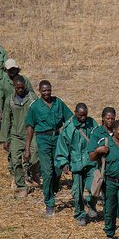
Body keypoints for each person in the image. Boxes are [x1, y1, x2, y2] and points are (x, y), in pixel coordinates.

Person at [24, 80, 72, 217]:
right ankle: (49, 204)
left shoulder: (58, 103)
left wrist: (68, 138)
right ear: (39, 91)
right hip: (43, 139)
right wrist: (27, 148)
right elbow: (30, 127)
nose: (46, 93)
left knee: (57, 170)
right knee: (47, 172)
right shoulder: (35, 107)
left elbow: (69, 119)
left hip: (57, 138)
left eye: (48, 90)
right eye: (44, 91)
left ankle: (54, 188)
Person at [55, 103, 99, 226]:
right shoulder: (68, 128)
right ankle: (80, 215)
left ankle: (91, 204)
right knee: (77, 192)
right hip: (76, 164)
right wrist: (64, 163)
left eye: (85, 115)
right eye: (80, 115)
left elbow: (99, 138)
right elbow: (62, 146)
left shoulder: (92, 123)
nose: (83, 118)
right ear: (75, 113)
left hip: (91, 162)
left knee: (95, 186)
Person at [0, 76, 39, 198]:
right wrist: (5, 139)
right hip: (16, 135)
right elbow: (6, 120)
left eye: (22, 87)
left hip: (32, 133)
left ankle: (31, 172)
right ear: (14, 87)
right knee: (15, 161)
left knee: (35, 156)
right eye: (18, 88)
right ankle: (22, 186)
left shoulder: (32, 98)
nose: (20, 90)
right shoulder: (10, 100)